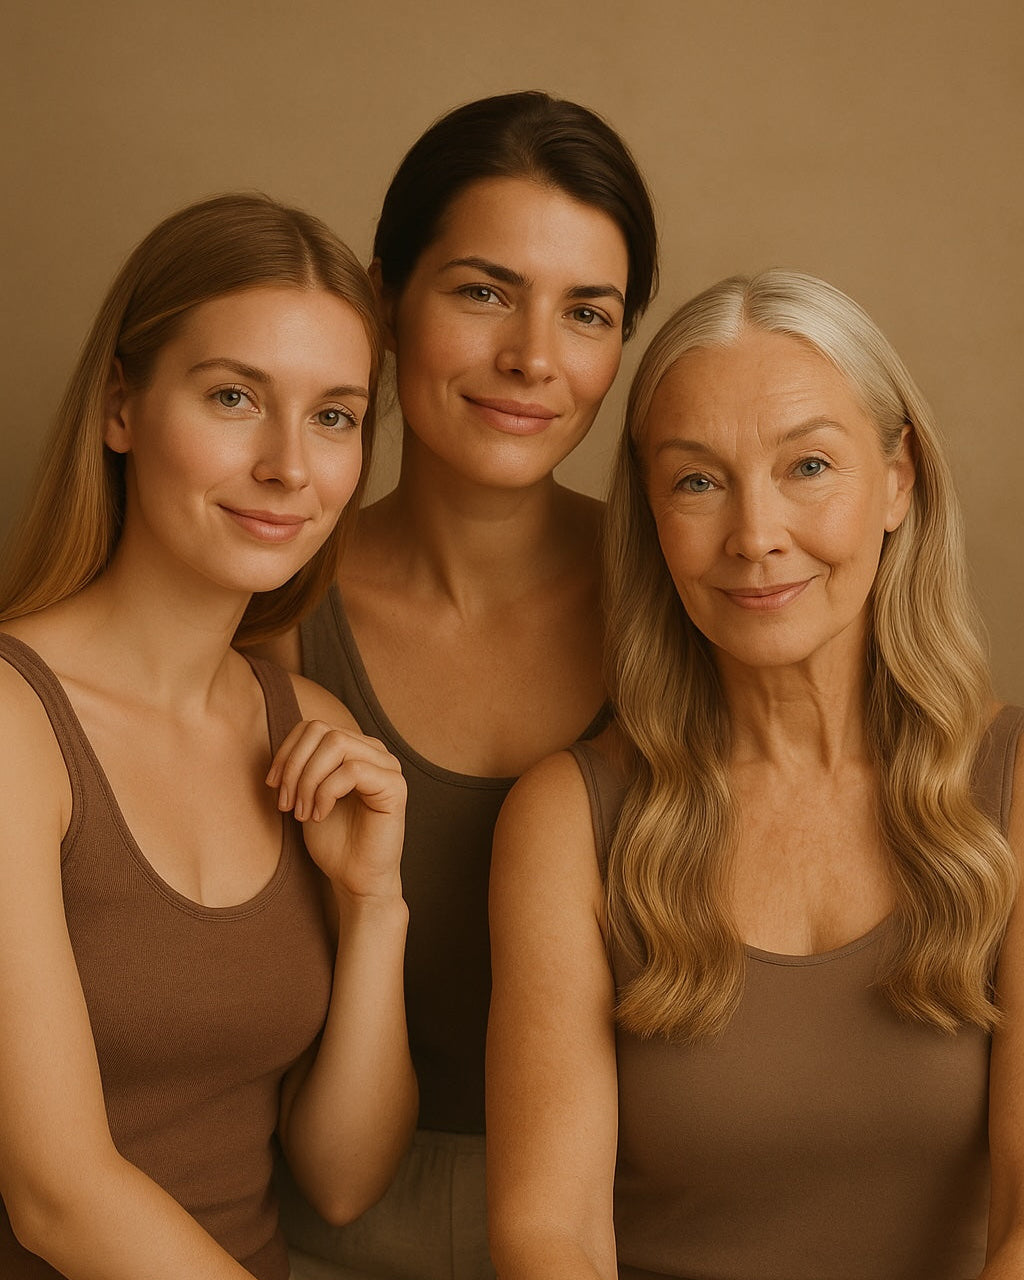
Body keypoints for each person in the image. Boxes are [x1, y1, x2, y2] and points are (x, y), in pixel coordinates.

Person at [486, 269, 1024, 1279]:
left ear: (898, 478)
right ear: (650, 515)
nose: (755, 535)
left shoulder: (1014, 786)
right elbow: (545, 1233)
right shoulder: (566, 817)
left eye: (807, 465)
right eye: (697, 481)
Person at [259, 91, 658, 1279]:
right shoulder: (270, 610)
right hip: (328, 1229)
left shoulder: (694, 597)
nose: (533, 358)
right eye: (483, 290)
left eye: (586, 312)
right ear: (384, 298)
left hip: (635, 1223)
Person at [0, 193, 417, 1280]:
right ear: (120, 406)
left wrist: (375, 908)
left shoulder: (308, 731)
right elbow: (55, 1196)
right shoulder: (10, 725)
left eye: (334, 416)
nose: (289, 464)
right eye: (235, 396)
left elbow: (340, 1178)